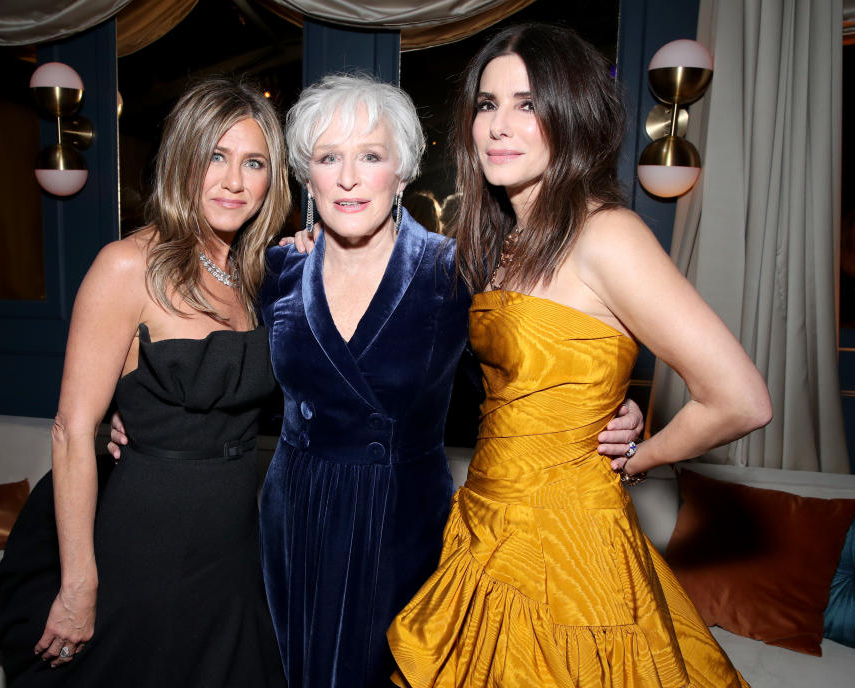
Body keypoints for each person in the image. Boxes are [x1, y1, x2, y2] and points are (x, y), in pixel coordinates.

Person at [108, 74, 643, 687]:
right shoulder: (274, 269)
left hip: (404, 521)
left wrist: (617, 409)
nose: (349, 176)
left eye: (370, 156)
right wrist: (132, 410)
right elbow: (206, 355)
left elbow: (528, 369)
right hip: (294, 518)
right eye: (329, 158)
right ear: (308, 177)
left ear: (404, 170)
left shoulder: (456, 271)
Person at [387, 24, 772, 688]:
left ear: (572, 117)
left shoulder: (606, 234)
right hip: (486, 524)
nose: (499, 126)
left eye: (527, 104)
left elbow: (741, 399)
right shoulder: (508, 243)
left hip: (568, 550)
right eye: (487, 104)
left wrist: (636, 456)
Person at [0, 76, 289, 687]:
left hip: (233, 544)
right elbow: (73, 430)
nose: (234, 181)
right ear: (182, 161)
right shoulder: (127, 265)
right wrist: (79, 585)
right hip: (147, 541)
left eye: (253, 162)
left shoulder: (260, 276)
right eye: (215, 157)